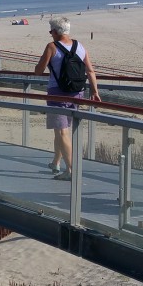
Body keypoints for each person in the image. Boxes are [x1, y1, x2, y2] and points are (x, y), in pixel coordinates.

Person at [33, 16, 100, 180]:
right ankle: (56, 162)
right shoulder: (80, 46)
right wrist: (95, 92)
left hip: (57, 93)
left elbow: (38, 71)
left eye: (51, 31)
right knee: (60, 129)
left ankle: (71, 170)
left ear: (55, 32)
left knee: (62, 131)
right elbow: (90, 71)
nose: (50, 34)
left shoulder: (51, 47)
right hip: (77, 93)